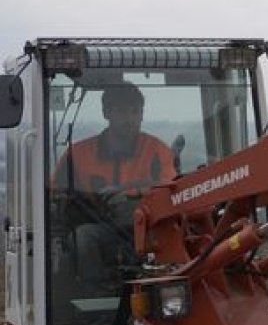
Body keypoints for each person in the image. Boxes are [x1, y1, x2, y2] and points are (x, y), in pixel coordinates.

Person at [52, 81, 176, 295]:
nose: (129, 119)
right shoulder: (78, 155)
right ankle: (97, 300)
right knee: (83, 238)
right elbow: (54, 200)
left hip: (148, 231)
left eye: (135, 112)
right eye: (121, 111)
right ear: (106, 112)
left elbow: (171, 194)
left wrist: (133, 203)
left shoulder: (157, 151)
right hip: (102, 232)